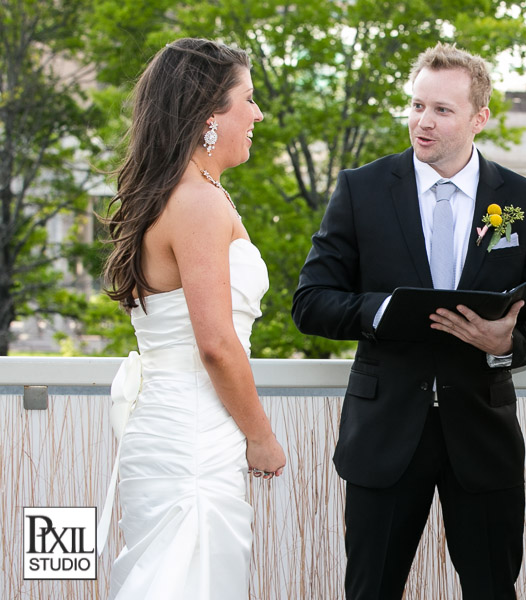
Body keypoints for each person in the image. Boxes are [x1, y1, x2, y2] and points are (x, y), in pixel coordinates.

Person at [292, 42, 526, 599]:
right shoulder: (362, 189)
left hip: (482, 437)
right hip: (385, 434)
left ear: (479, 118)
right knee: (371, 591)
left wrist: (508, 342)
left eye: (442, 110)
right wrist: (384, 310)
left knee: (492, 590)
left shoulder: (521, 200)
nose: (423, 121)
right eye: (417, 106)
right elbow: (311, 301)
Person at [101, 38, 286, 599]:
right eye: (247, 100)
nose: (257, 114)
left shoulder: (177, 194)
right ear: (209, 115)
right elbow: (216, 345)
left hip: (173, 427)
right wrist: (262, 438)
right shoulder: (198, 203)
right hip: (193, 441)